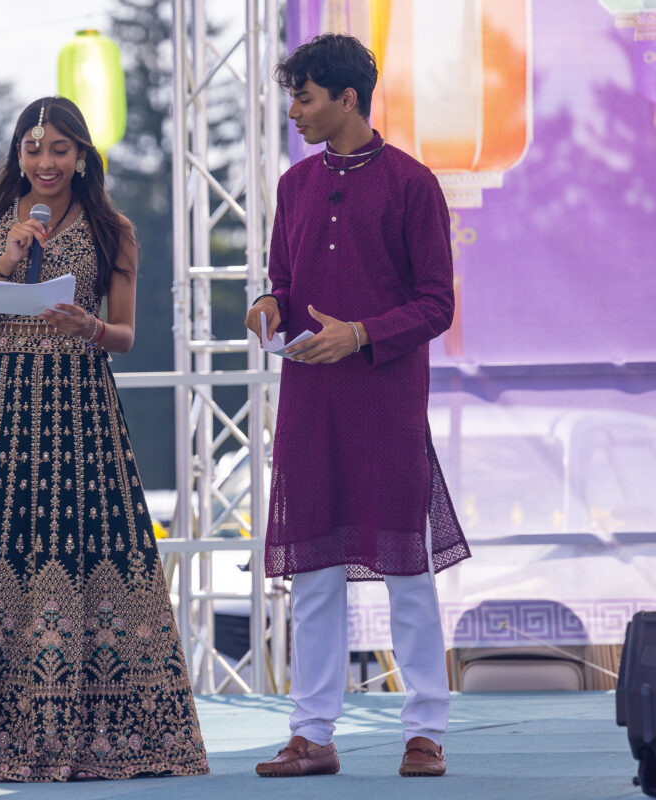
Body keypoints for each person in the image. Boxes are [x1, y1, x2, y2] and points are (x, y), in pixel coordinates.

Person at [0, 97, 209, 782]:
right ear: (17, 153)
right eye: (32, 147)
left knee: (90, 553)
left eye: (59, 149)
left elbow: (128, 334)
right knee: (0, 555)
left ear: (81, 156)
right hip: (9, 415)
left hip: (81, 410)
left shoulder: (114, 229)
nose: (44, 162)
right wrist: (7, 262)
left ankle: (108, 734)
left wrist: (90, 329)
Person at [244, 34, 471, 779]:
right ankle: (311, 733)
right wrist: (267, 308)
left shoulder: (411, 184)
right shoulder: (294, 185)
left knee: (406, 568)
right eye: (291, 98)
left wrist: (362, 334)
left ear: (347, 98)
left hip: (386, 401)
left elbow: (436, 304)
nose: (294, 112)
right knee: (311, 571)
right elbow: (281, 278)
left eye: (304, 98)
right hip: (310, 401)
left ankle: (425, 730)